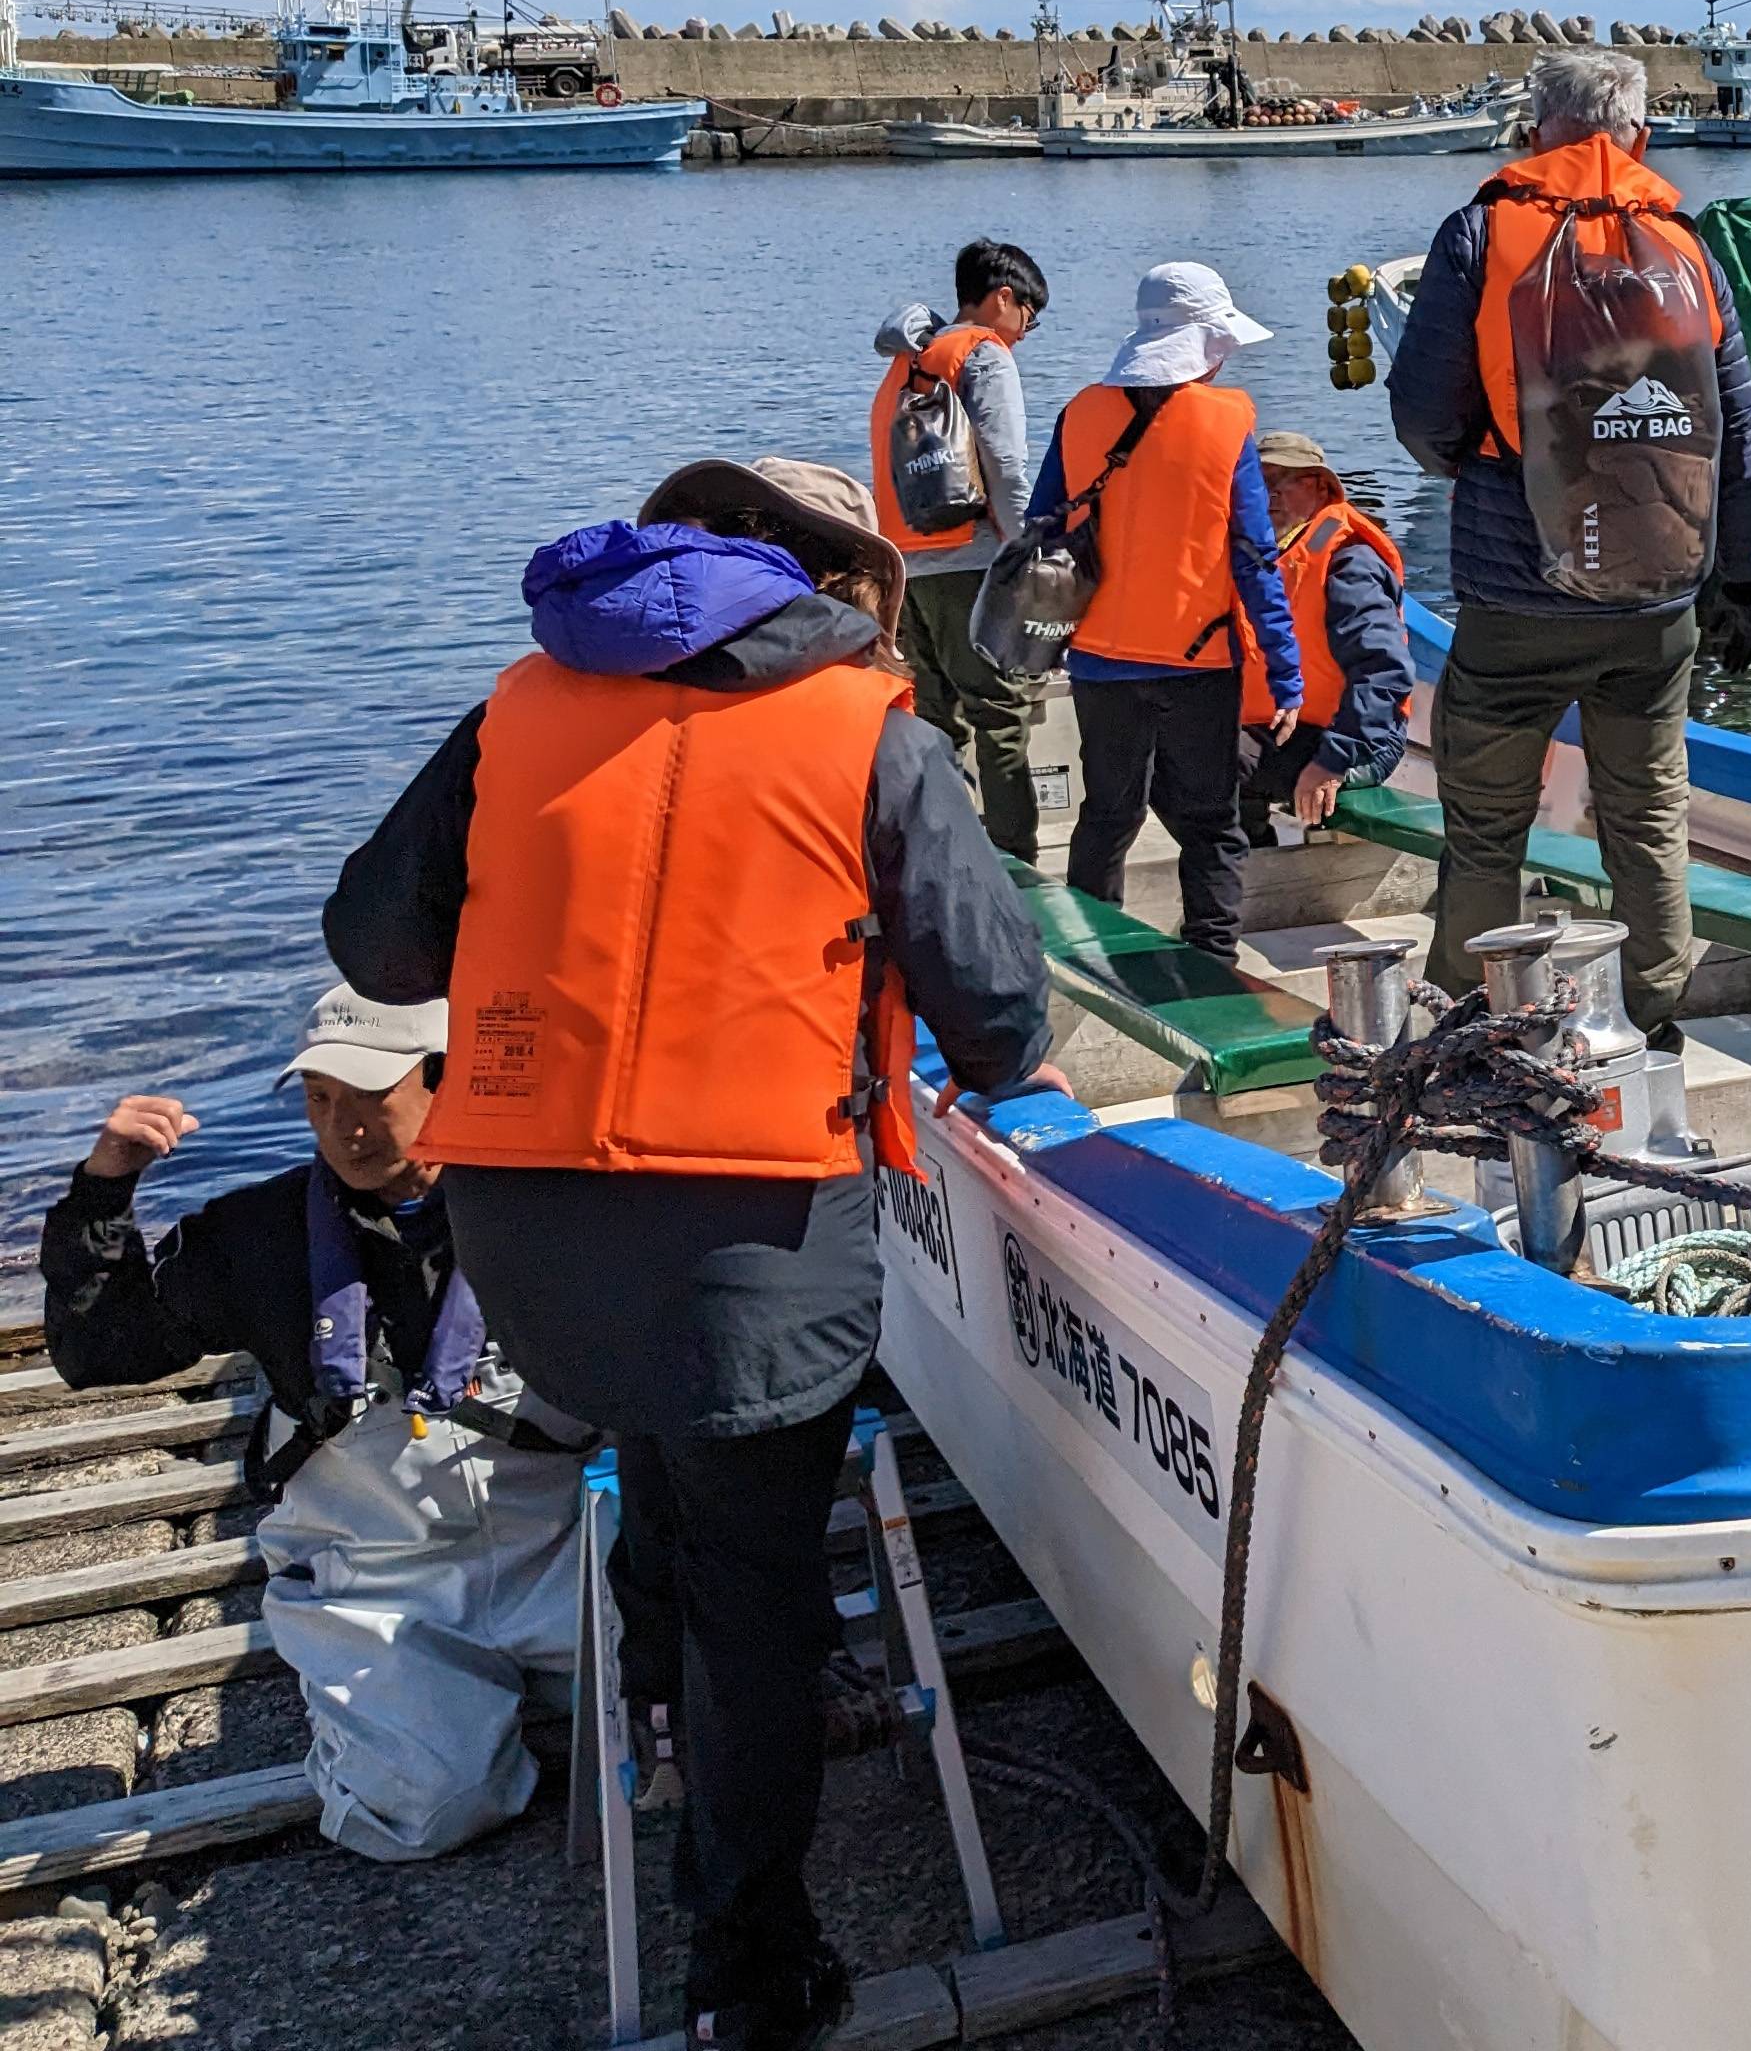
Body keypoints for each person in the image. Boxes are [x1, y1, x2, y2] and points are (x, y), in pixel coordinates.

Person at [327, 455, 1052, 2051]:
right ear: (835, 585)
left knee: (659, 1453)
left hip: (524, 1235)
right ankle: (750, 1953)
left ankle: (653, 1686)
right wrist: (1012, 1071)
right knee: (761, 1595)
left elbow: (373, 941)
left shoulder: (515, 707)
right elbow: (994, 1001)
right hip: (751, 1239)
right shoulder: (870, 729)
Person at [44, 985, 587, 1864]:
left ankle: (502, 1688)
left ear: (450, 1085)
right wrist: (103, 1193)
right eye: (319, 1099)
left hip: (561, 1548)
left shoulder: (560, 1207)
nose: (346, 1127)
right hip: (374, 1578)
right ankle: (386, 1718)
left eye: (372, 1094)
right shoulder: (251, 1235)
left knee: (715, 1712)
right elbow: (100, 1349)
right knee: (429, 1812)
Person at [1387, 48, 1751, 1042]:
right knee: (1648, 820)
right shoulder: (1684, 245)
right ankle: (1654, 1017)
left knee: (1484, 832)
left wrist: (1479, 463)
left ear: (1534, 128)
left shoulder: (1479, 235)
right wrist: (1746, 576)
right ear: (1639, 137)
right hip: (1657, 602)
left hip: (1515, 595)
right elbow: (1738, 427)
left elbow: (1422, 412)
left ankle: (1465, 1018)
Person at [1028, 261, 1304, 958]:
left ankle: (1092, 950)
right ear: (1208, 345)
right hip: (1198, 660)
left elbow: (1043, 531)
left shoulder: (1080, 413)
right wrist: (1285, 669)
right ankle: (1213, 957)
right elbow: (1255, 557)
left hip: (1097, 658)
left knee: (1108, 813)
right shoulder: (1227, 422)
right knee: (1211, 821)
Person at [870, 237, 1048, 860]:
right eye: (1030, 312)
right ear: (1003, 298)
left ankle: (938, 863)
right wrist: (1026, 553)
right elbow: (1005, 462)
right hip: (969, 567)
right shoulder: (985, 356)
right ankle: (1017, 874)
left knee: (931, 726)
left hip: (904, 570)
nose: (1027, 329)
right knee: (1002, 719)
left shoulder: (908, 362)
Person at [1233, 431, 1416, 843]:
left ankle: (1250, 872)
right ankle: (1252, 864)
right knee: (1179, 754)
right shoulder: (1260, 557)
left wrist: (1332, 761)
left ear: (1320, 487)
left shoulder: (1348, 564)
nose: (1272, 492)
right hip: (1287, 725)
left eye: (1286, 478)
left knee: (1208, 767)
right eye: (1260, 481)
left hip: (1361, 740)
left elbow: (1385, 672)